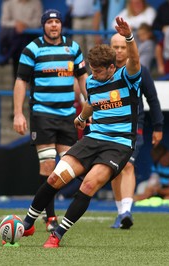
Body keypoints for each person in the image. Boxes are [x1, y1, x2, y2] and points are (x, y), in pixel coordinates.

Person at [20, 17, 142, 248]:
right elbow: (92, 102)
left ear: (112, 68)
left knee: (87, 185)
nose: (93, 75)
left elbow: (134, 59)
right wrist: (82, 118)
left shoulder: (127, 78)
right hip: (93, 138)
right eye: (91, 71)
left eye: (97, 71)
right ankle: (28, 223)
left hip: (119, 144)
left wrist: (129, 37)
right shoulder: (93, 82)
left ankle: (57, 235)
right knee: (55, 177)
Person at [13, 9, 88, 233]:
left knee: (68, 167)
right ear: (43, 25)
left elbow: (83, 77)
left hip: (68, 116)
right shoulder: (32, 49)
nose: (54, 25)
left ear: (61, 25)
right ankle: (50, 217)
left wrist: (90, 104)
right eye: (50, 22)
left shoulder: (73, 48)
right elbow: (21, 81)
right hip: (42, 114)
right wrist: (18, 113)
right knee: (48, 166)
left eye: (57, 22)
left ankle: (51, 213)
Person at [108, 33, 163, 229]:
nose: (119, 51)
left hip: (134, 127)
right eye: (116, 47)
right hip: (109, 128)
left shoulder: (141, 70)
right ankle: (120, 212)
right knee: (113, 171)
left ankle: (127, 211)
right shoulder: (105, 71)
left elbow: (153, 99)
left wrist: (158, 126)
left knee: (127, 166)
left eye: (123, 47)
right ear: (110, 48)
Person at [0, 0, 43, 79]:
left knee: (32, 67)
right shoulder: (8, 3)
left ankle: (7, 56)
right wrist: (16, 24)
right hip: (15, 39)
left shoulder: (36, 2)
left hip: (31, 40)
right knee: (18, 64)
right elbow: (4, 21)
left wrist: (25, 25)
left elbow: (39, 21)